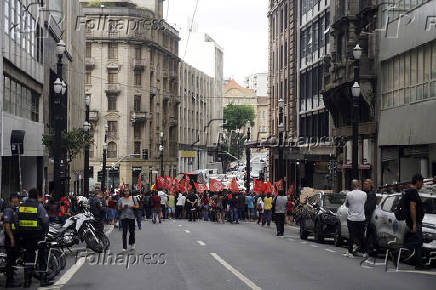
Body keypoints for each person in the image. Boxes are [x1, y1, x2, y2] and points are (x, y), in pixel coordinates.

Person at [17, 188, 52, 287]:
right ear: (36, 196)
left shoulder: (21, 206)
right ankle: (43, 279)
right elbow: (45, 221)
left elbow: (17, 219)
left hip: (24, 236)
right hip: (37, 236)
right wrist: (46, 232)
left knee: (28, 257)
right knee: (42, 256)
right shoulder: (38, 206)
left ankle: (27, 281)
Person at [404, 173, 430, 270]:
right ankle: (418, 264)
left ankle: (417, 262)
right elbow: (412, 208)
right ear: (418, 181)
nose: (422, 185)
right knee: (418, 242)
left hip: (413, 222)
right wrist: (414, 223)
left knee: (414, 242)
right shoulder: (413, 192)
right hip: (414, 222)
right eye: (422, 183)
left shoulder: (409, 191)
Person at [345, 180, 367, 257]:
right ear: (359, 185)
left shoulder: (349, 194)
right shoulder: (364, 194)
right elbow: (364, 203)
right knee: (361, 235)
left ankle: (350, 252)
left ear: (352, 185)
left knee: (352, 235)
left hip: (351, 218)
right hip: (361, 218)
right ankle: (364, 252)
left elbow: (347, 204)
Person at [3, 193, 21, 287]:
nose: (18, 202)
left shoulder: (14, 210)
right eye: (17, 200)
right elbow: (6, 225)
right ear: (12, 200)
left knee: (13, 258)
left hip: (14, 237)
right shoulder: (9, 210)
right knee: (10, 260)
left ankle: (11, 278)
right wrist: (12, 238)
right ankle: (9, 282)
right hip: (10, 238)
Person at [363, 179, 377, 256]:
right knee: (367, 234)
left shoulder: (371, 194)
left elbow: (369, 207)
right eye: (364, 184)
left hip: (368, 217)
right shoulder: (366, 193)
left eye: (366, 184)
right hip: (366, 216)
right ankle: (368, 250)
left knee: (368, 234)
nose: (364, 185)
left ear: (370, 185)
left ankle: (369, 250)